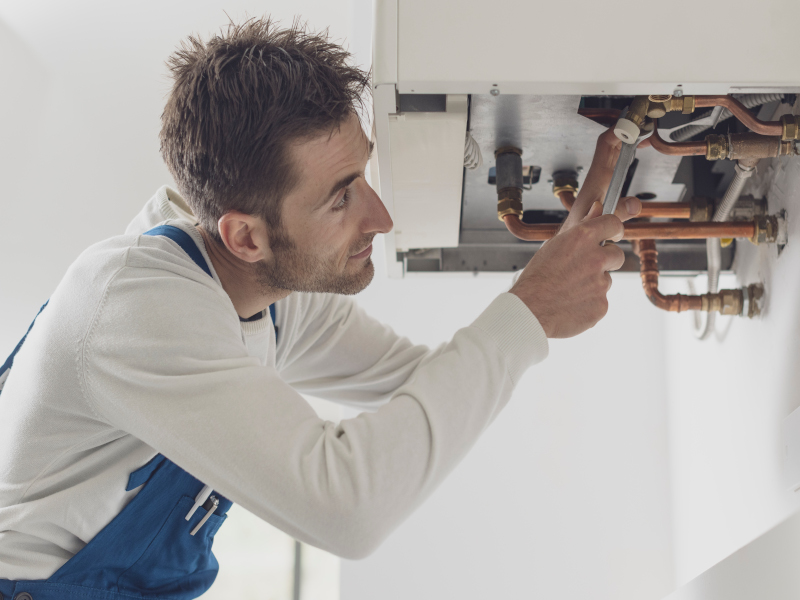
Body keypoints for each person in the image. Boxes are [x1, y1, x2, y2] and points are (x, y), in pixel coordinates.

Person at [0, 18, 641, 600]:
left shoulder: (267, 296)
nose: (380, 218)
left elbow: (420, 381)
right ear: (245, 236)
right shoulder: (136, 310)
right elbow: (347, 511)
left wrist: (539, 296)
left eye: (363, 175)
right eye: (341, 199)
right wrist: (526, 313)